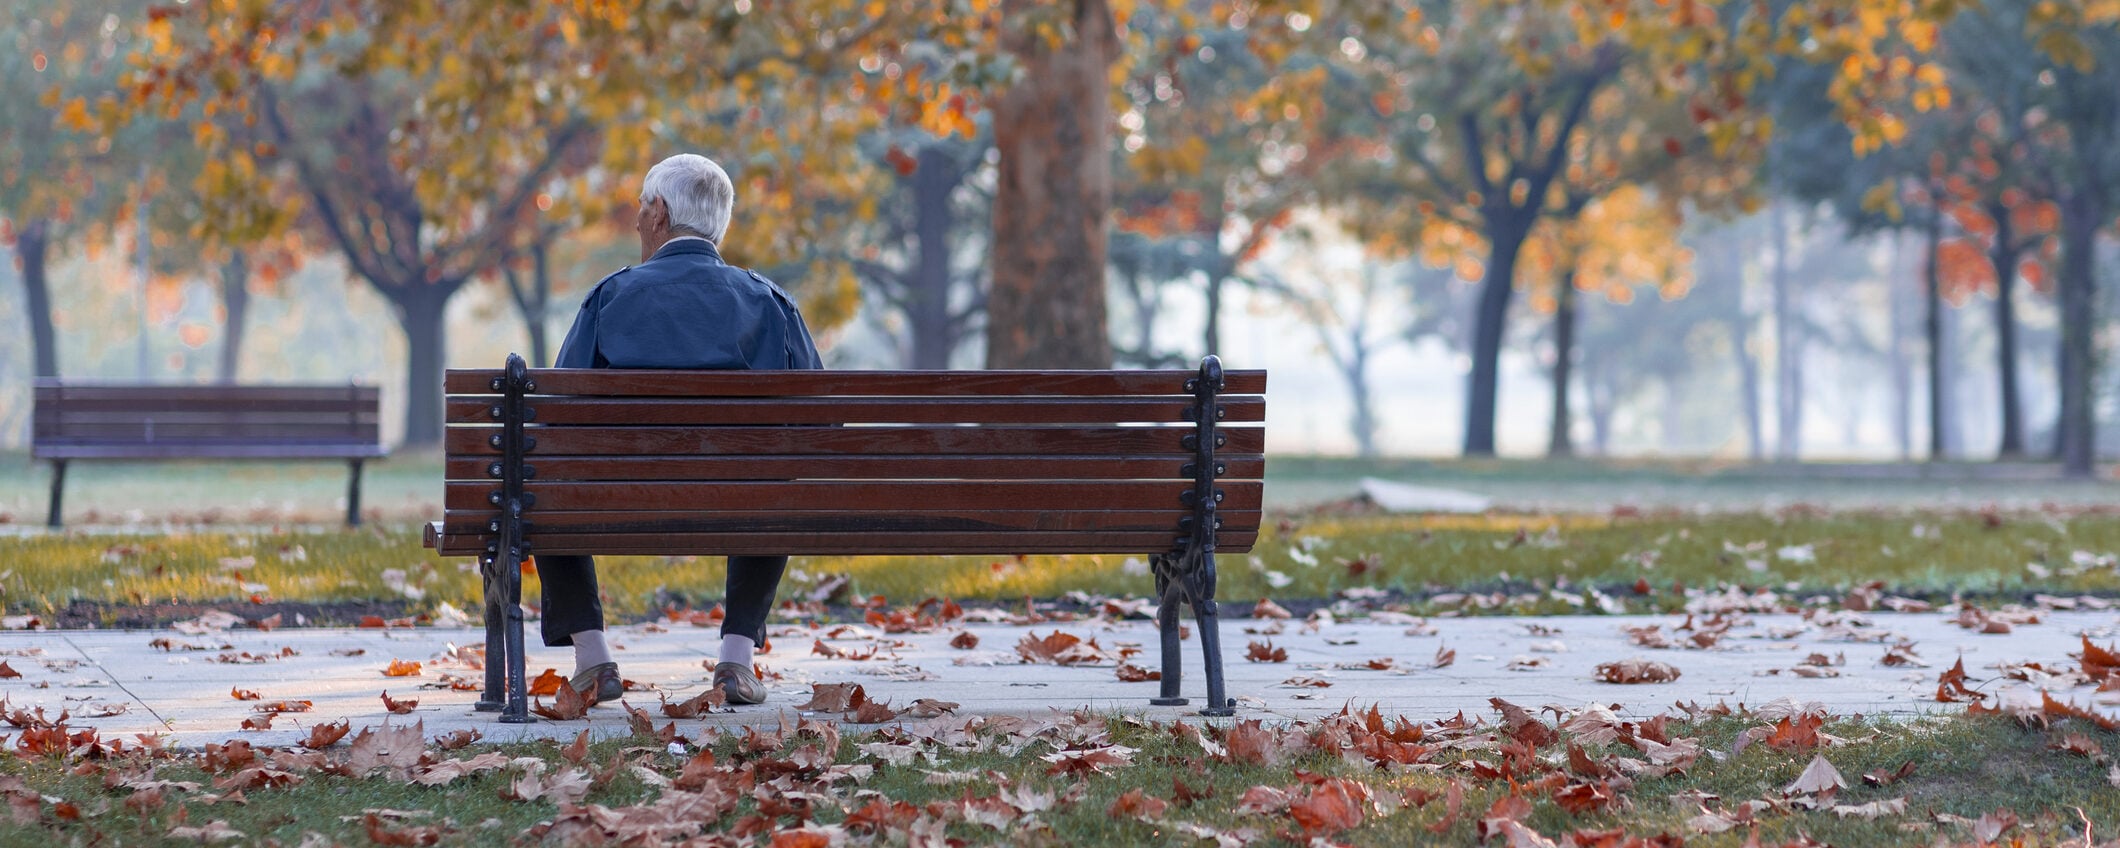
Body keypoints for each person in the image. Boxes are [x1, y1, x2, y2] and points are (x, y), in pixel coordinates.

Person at [535, 153, 821, 706]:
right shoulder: (768, 301)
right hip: (744, 502)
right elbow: (820, 422)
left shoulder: (610, 296)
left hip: (615, 502)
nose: (638, 220)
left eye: (642, 208)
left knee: (540, 486)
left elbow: (556, 416)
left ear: (660, 213)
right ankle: (735, 659)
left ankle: (592, 658)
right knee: (772, 482)